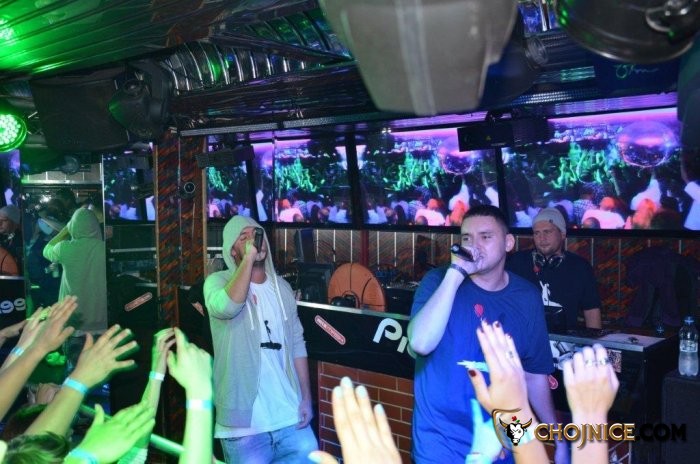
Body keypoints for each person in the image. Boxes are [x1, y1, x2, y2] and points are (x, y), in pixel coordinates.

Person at [407, 205, 563, 464]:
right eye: (467, 238)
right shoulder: (438, 281)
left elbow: (535, 375)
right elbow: (421, 343)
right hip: (440, 447)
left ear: (508, 243)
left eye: (486, 237)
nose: (474, 245)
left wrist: (558, 438)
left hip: (502, 444)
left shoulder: (526, 297)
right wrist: (456, 273)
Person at [203, 215, 317, 463]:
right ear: (232, 251)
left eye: (257, 234)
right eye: (243, 237)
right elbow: (228, 307)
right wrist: (248, 259)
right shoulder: (217, 283)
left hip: (289, 415)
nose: (253, 241)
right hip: (243, 428)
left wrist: (306, 398)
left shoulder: (282, 288)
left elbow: (297, 344)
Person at [506, 208, 602, 332]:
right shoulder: (516, 262)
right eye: (537, 233)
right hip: (525, 338)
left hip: (565, 341)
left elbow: (591, 310)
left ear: (562, 234)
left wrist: (594, 340)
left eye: (547, 232)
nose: (542, 238)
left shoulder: (580, 267)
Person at [42, 208, 107, 369]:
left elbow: (46, 250)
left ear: (73, 227)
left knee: (74, 369)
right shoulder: (104, 248)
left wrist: (66, 229)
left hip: (74, 323)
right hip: (101, 322)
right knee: (99, 368)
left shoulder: (65, 248)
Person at [0, 204, 23, 271]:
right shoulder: (2, 237)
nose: (0, 223)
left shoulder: (22, 240)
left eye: (4, 220)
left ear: (14, 222)